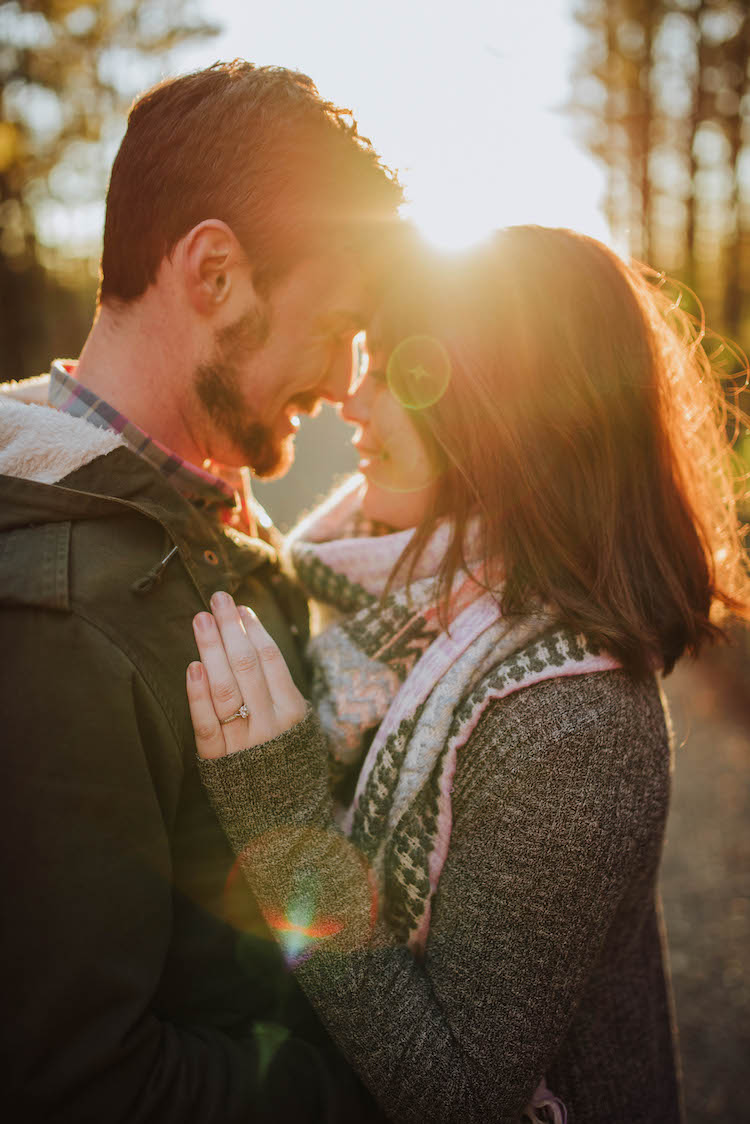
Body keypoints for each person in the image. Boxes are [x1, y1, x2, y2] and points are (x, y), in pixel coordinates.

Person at [186, 227, 750, 1123]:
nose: (352, 401)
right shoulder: (402, 606)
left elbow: (463, 1091)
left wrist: (282, 816)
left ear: (506, 411)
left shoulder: (572, 720)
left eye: (393, 372)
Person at [0, 60, 403, 1122]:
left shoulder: (193, 506)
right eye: (336, 323)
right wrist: (370, 1090)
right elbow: (80, 1083)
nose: (343, 377)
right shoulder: (62, 620)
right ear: (214, 271)